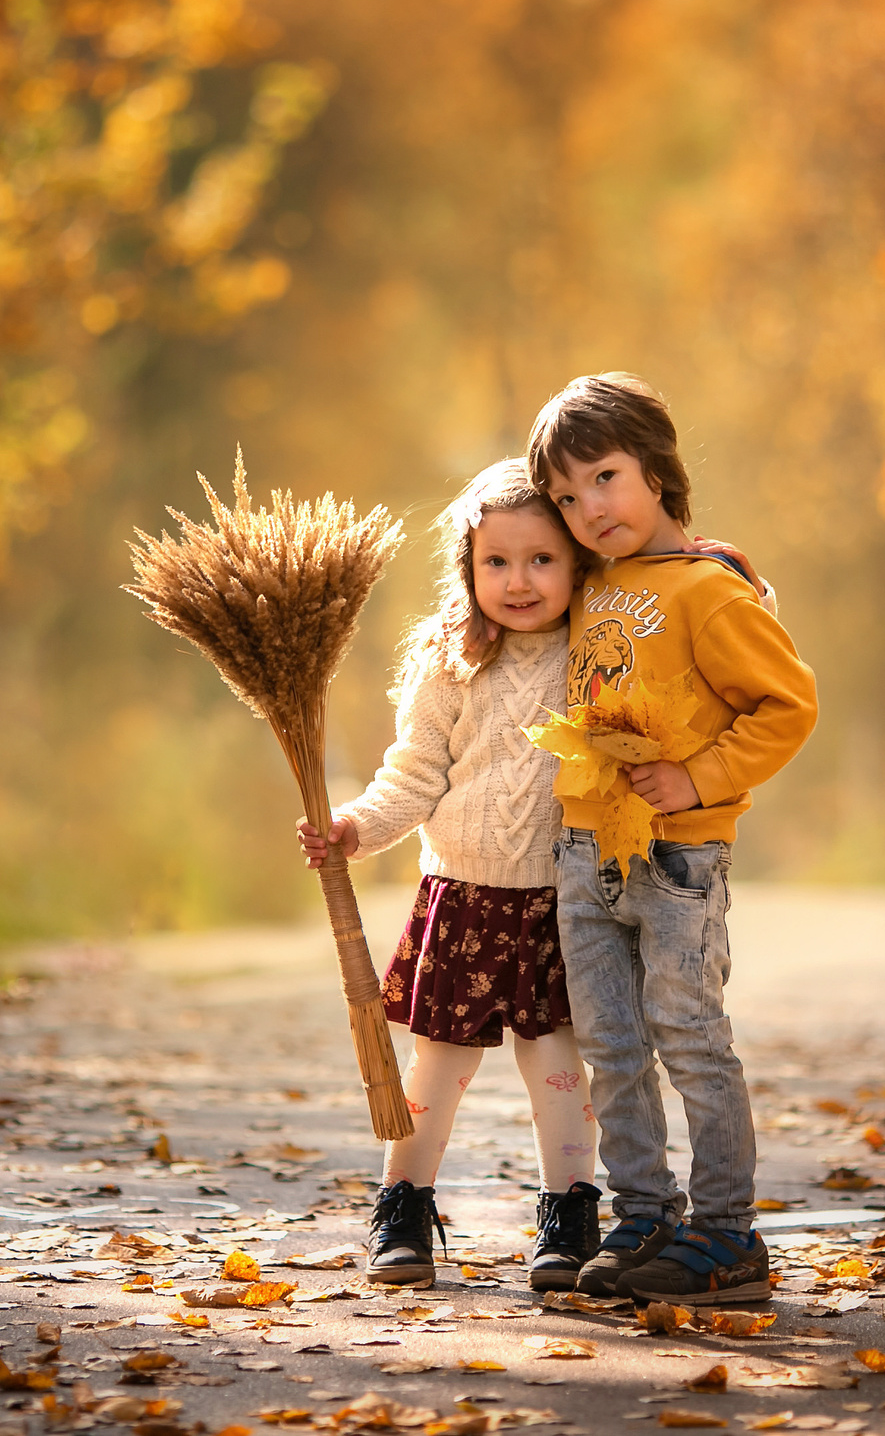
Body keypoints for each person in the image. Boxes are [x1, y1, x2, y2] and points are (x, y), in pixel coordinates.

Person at [525, 372, 820, 1305]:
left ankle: (727, 1232)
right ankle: (642, 1212)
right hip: (586, 849)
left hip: (679, 855)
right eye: (567, 496)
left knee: (689, 1036)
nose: (588, 508)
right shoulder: (593, 584)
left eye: (605, 477)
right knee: (612, 1044)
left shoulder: (707, 591)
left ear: (657, 468)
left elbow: (789, 705)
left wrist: (699, 777)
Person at [296, 459, 603, 1291]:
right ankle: (403, 1205)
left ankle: (570, 1214)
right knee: (436, 1067)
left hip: (561, 900)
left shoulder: (598, 647)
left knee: (558, 1067)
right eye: (495, 561)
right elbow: (414, 773)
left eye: (541, 559)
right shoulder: (450, 657)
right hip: (464, 897)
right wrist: (355, 826)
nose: (518, 580)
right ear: (467, 567)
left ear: (578, 559)